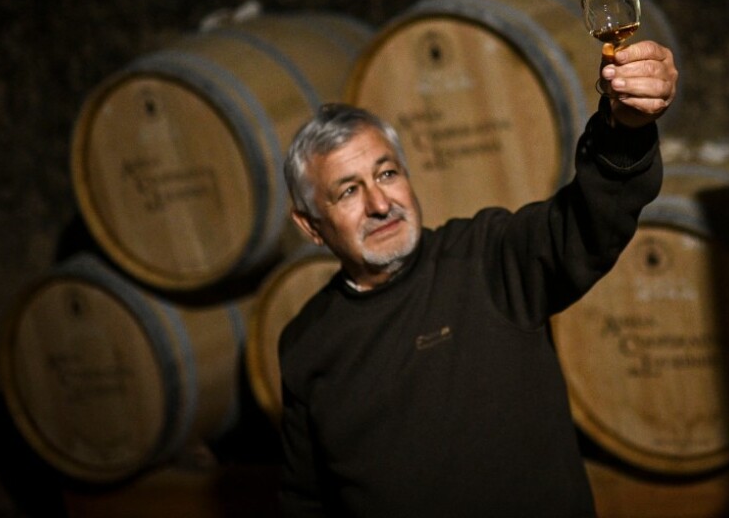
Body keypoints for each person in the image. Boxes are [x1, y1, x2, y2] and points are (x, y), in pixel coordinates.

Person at [277, 39, 679, 517]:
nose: (380, 205)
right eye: (348, 191)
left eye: (387, 174)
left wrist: (625, 132)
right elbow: (306, 501)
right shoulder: (307, 342)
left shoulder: (485, 258)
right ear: (309, 225)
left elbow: (587, 223)